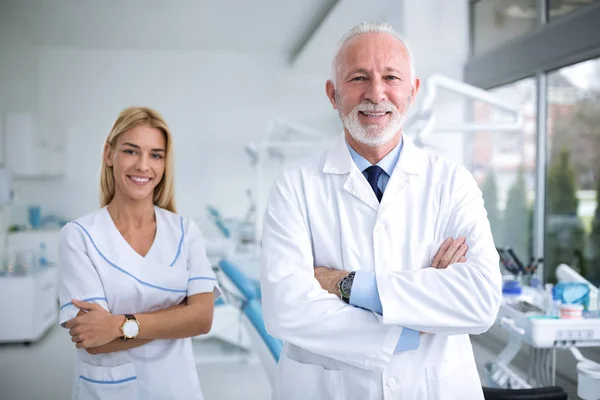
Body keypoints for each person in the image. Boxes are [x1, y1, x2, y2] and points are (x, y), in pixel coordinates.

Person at [260, 22, 502, 400]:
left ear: (413, 91)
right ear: (333, 94)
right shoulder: (295, 186)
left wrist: (344, 284)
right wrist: (414, 322)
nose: (376, 93)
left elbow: (480, 300)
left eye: (391, 77)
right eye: (359, 78)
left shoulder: (453, 182)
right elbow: (285, 309)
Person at [58, 107, 220, 399]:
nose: (144, 166)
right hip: (109, 391)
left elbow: (203, 319)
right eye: (131, 151)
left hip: (177, 388)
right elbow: (93, 339)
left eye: (156, 155)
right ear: (109, 154)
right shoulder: (79, 236)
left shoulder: (185, 231)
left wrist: (118, 324)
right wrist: (179, 314)